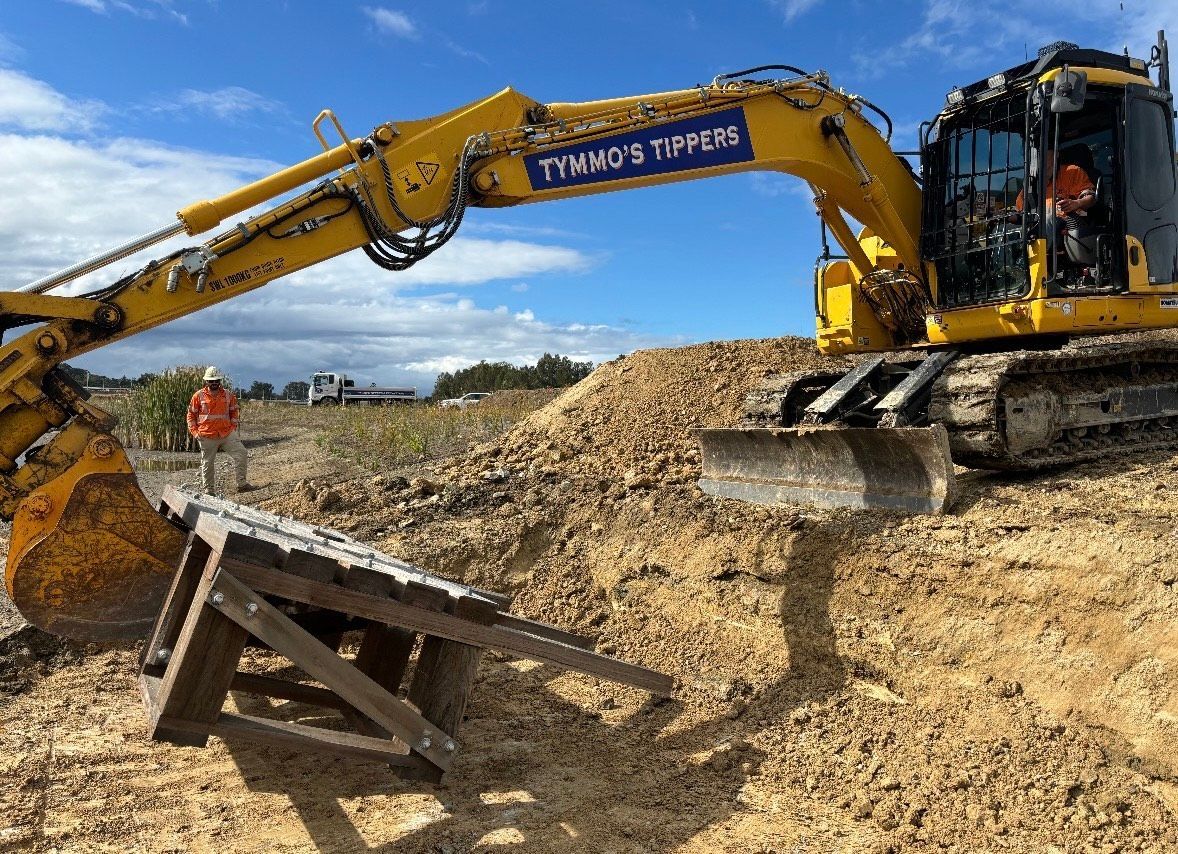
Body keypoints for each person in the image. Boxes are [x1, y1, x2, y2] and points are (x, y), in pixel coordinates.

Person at [187, 366, 253, 494]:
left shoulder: (228, 395)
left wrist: (233, 427)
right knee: (207, 463)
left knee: (242, 454)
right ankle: (209, 490)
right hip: (206, 435)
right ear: (206, 381)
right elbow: (191, 415)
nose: (214, 383)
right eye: (211, 381)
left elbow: (234, 411)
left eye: (216, 380)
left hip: (226, 434)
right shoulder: (198, 396)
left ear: (220, 381)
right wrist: (195, 433)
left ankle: (242, 484)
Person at [1014, 148, 1096, 220]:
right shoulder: (1030, 184)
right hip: (1039, 227)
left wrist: (1077, 203)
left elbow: (1091, 197)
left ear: (1056, 154)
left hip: (1072, 222)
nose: (1038, 157)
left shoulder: (1072, 171)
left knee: (1048, 218)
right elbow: (1020, 214)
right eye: (1034, 154)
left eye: (1042, 151)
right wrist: (1007, 217)